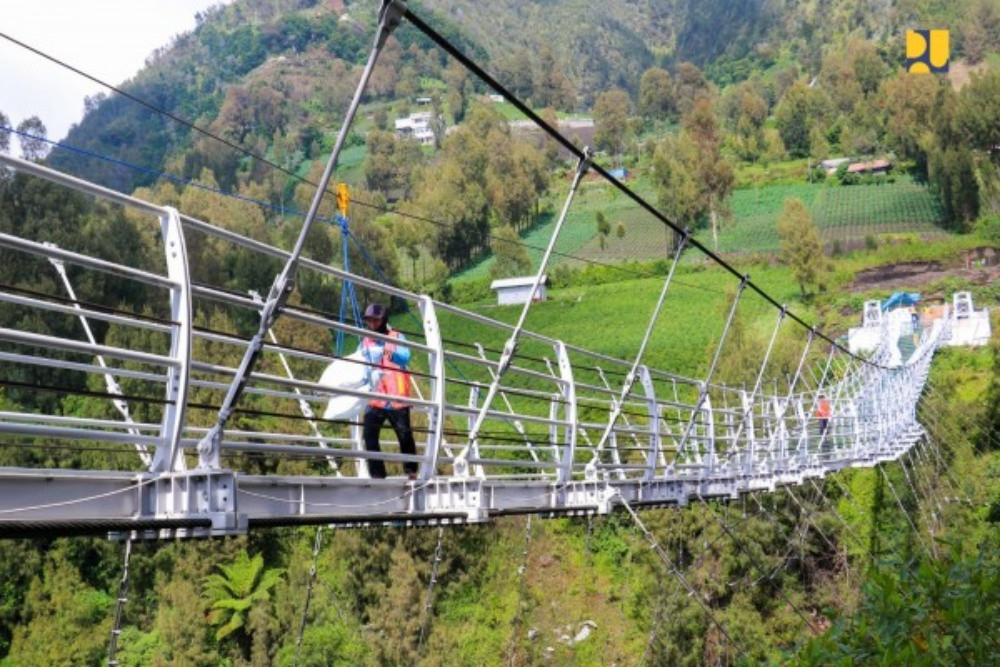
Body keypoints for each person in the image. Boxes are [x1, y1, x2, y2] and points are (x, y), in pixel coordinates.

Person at [359, 303, 418, 480]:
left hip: (396, 396)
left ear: (383, 320)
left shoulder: (397, 336)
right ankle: (377, 475)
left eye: (375, 320)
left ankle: (411, 471)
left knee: (404, 434)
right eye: (369, 320)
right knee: (369, 434)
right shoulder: (365, 341)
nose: (372, 324)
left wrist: (387, 352)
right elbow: (358, 361)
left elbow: (405, 357)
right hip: (376, 397)